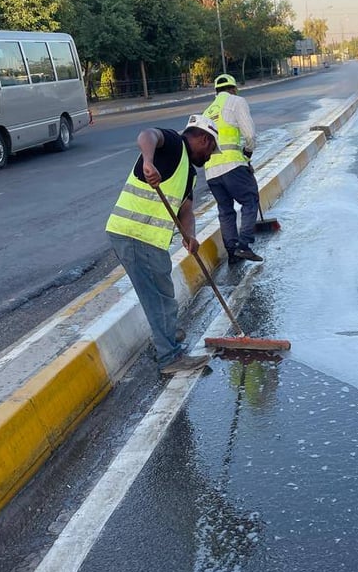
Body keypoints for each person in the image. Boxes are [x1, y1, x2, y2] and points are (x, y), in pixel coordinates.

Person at [105, 114, 220, 374]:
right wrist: (148, 162)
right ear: (204, 140)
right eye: (211, 150)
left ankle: (166, 333)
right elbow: (147, 134)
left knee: (160, 294)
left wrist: (190, 236)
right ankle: (169, 357)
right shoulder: (173, 144)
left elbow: (186, 210)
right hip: (136, 234)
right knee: (159, 298)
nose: (209, 157)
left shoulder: (188, 173)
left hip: (148, 239)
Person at [203, 73, 263, 264]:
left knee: (225, 210)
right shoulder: (236, 101)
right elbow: (250, 135)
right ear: (234, 89)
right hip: (233, 165)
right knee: (250, 200)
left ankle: (232, 252)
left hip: (211, 171)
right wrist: (248, 153)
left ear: (216, 92)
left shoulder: (207, 112)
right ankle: (244, 246)